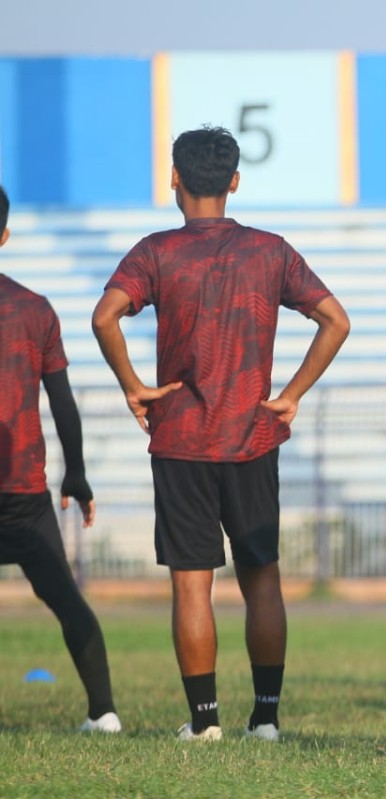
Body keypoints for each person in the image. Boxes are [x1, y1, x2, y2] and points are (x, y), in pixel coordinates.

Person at [91, 126, 350, 742]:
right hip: (252, 435)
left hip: (181, 437)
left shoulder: (155, 252)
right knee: (262, 575)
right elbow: (335, 320)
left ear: (174, 179)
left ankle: (204, 722)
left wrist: (133, 384)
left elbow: (104, 316)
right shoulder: (270, 250)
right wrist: (289, 396)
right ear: (235, 181)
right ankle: (265, 719)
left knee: (191, 582)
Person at [0, 185, 122, 734]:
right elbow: (62, 401)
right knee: (66, 601)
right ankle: (104, 712)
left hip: (22, 488)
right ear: (4, 235)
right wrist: (77, 473)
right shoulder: (33, 308)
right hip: (23, 492)